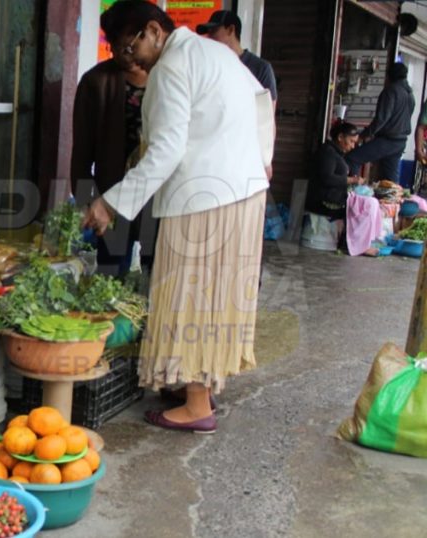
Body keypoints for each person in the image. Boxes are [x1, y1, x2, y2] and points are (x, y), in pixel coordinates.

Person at [83, 1, 270, 434]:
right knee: (216, 295)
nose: (128, 60)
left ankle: (197, 405)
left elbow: (167, 150)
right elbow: (263, 109)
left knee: (190, 298)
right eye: (117, 52)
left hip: (202, 198)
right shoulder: (216, 53)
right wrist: (257, 164)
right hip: (242, 192)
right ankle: (198, 386)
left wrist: (108, 203)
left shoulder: (170, 67)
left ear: (154, 30)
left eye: (129, 48)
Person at [71, 32, 155, 275]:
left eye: (129, 47)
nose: (124, 53)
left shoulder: (165, 77)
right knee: (110, 273)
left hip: (155, 190)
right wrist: (87, 200)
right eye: (116, 46)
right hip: (112, 192)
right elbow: (82, 151)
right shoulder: (96, 81)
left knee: (158, 272)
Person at [346, 63, 416, 183]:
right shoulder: (410, 95)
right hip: (400, 142)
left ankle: (355, 195)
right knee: (390, 180)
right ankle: (392, 200)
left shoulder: (391, 91)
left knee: (353, 158)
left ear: (390, 76)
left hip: (387, 140)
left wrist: (363, 136)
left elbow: (381, 119)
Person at [198, 10, 278, 103]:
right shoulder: (209, 67)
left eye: (214, 31)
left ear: (231, 29)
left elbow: (267, 114)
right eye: (208, 33)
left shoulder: (260, 68)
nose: (209, 37)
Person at [308, 122, 364, 220]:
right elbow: (327, 178)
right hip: (323, 203)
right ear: (340, 137)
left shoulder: (336, 153)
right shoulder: (327, 152)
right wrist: (351, 180)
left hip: (334, 200)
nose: (353, 146)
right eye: (351, 141)